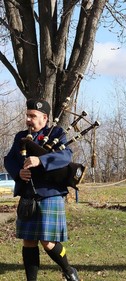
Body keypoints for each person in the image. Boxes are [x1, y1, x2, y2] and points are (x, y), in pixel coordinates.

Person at [4, 99, 80, 281]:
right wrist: (18, 172)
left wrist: (41, 160)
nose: (28, 119)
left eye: (33, 116)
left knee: (48, 242)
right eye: (27, 115)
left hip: (50, 193)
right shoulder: (20, 137)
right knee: (29, 241)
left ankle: (69, 270)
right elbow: (9, 159)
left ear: (44, 118)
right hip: (28, 194)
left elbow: (65, 156)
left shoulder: (57, 134)